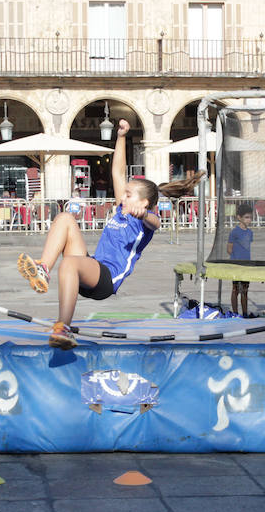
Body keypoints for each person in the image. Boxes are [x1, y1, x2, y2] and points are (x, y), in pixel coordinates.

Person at [17, 119, 160, 350]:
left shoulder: (144, 222)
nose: (123, 197)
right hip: (92, 266)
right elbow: (117, 170)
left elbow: (156, 223)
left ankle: (63, 326)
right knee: (65, 218)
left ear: (143, 202)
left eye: (129, 195)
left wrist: (144, 214)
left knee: (70, 264)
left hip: (106, 279)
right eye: (123, 194)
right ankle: (43, 268)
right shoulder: (120, 210)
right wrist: (121, 136)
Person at [227, 203, 254, 316]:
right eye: (246, 217)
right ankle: (235, 312)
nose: (249, 220)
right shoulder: (234, 232)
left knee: (245, 290)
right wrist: (236, 259)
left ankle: (245, 313)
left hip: (246, 265)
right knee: (235, 289)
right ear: (239, 217)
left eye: (251, 217)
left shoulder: (250, 232)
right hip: (236, 265)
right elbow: (229, 249)